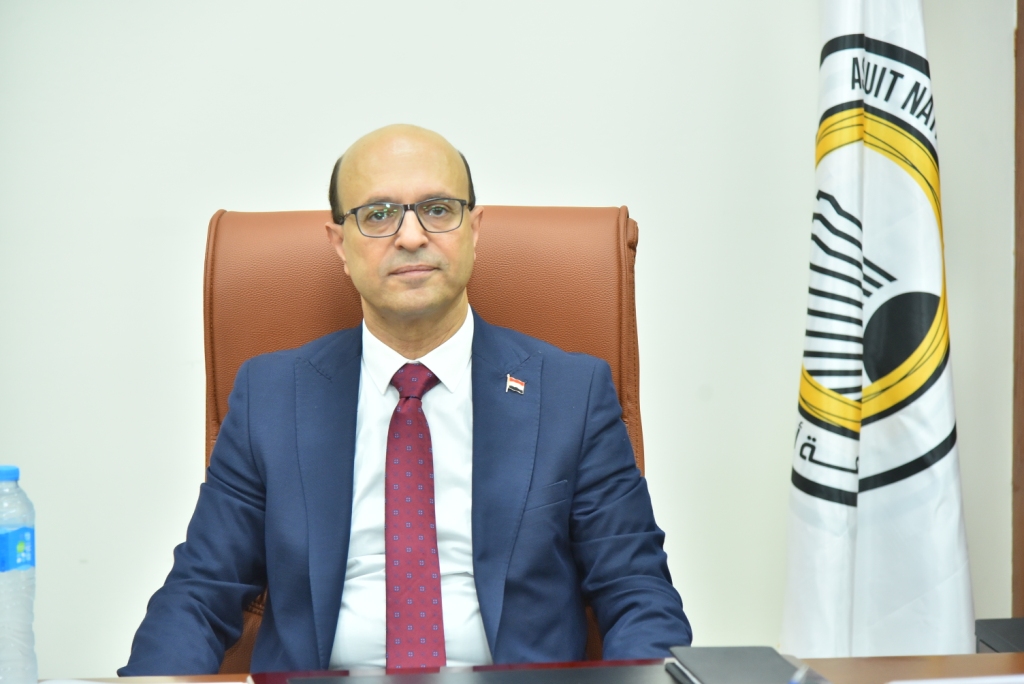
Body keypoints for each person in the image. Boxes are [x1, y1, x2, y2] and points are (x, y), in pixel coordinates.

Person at [120, 124, 691, 675]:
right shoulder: (270, 396)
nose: (412, 237)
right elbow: (200, 592)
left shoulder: (571, 393)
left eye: (438, 210)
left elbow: (636, 591)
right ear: (339, 243)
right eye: (378, 215)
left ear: (474, 229)